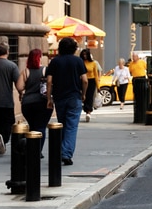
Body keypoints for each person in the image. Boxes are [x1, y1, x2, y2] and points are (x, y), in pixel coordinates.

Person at [46, 37, 88, 166]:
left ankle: (61, 151)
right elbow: (85, 80)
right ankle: (66, 153)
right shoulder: (78, 61)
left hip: (59, 98)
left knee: (62, 124)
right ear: (74, 49)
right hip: (74, 97)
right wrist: (84, 94)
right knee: (71, 126)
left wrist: (49, 98)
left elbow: (49, 81)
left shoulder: (55, 62)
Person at [21, 49, 52, 159]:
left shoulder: (26, 71)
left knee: (32, 126)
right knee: (41, 127)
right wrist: (49, 99)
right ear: (39, 58)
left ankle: (31, 148)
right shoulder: (45, 70)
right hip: (42, 102)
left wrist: (25, 90)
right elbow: (50, 83)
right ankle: (37, 150)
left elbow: (19, 86)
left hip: (27, 103)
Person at [81, 49, 100, 122]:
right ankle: (86, 110)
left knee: (89, 96)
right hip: (82, 80)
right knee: (83, 96)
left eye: (86, 54)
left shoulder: (93, 63)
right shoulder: (81, 62)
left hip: (91, 81)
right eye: (83, 54)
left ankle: (88, 112)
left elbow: (96, 75)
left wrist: (98, 86)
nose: (85, 56)